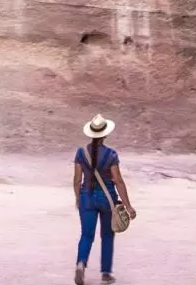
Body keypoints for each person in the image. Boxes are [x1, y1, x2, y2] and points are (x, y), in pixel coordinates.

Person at [73, 114, 136, 284]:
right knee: (107, 236)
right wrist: (128, 206)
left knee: (86, 235)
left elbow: (77, 180)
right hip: (107, 200)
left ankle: (81, 264)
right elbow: (118, 180)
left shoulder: (81, 153)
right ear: (105, 134)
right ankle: (106, 274)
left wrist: (78, 198)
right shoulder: (111, 154)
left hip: (87, 197)